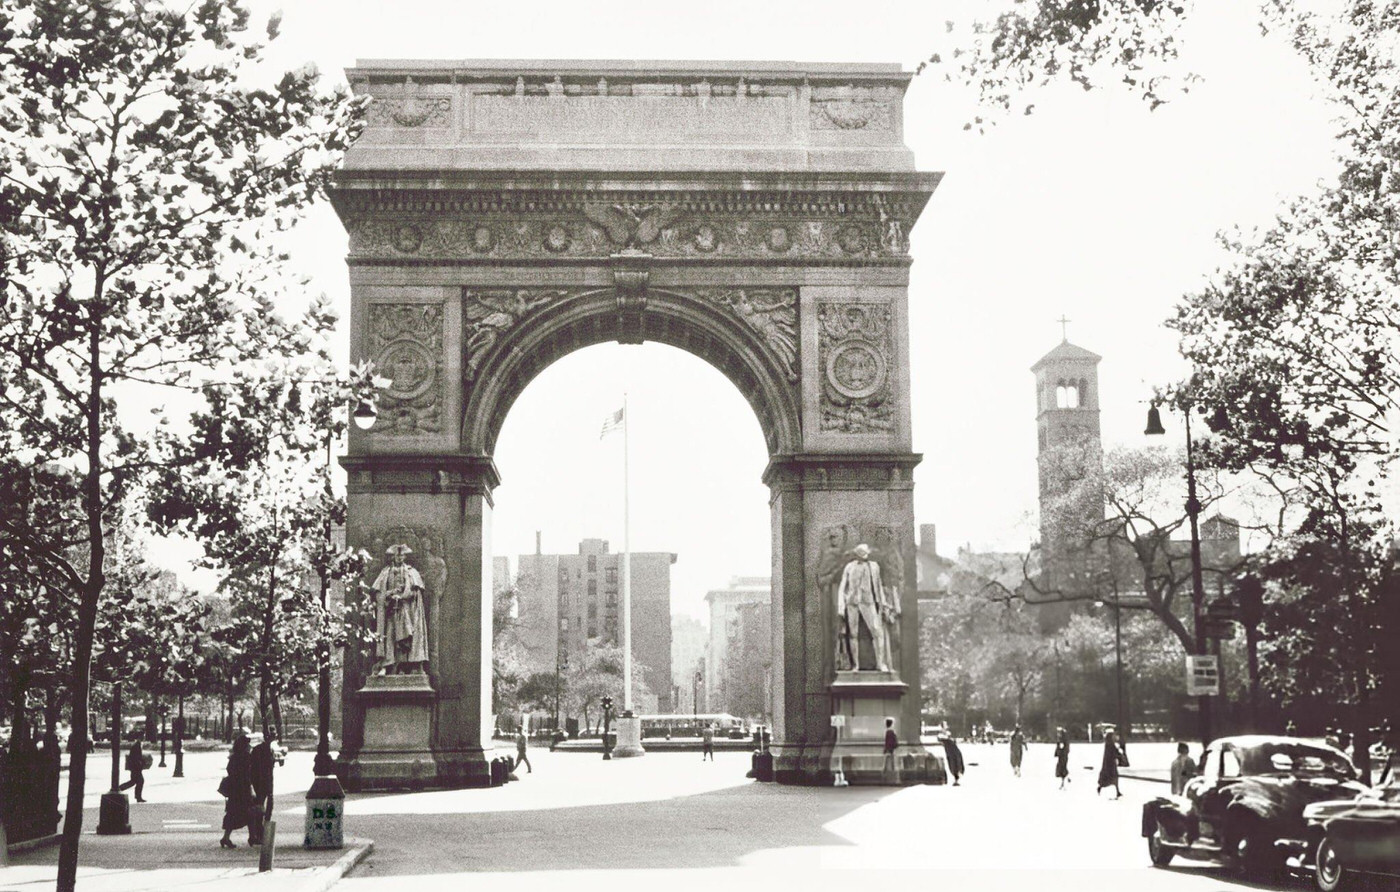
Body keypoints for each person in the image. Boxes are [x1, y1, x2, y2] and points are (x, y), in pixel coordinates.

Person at [835, 543, 898, 672]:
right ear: (856, 555)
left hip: (868, 602)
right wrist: (841, 607)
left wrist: (883, 603)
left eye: (865, 554)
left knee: (877, 632)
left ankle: (880, 664)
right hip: (852, 603)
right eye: (862, 555)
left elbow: (878, 585)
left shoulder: (874, 566)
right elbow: (843, 586)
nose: (864, 557)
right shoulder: (849, 567)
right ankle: (855, 665)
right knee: (853, 634)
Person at [372, 543, 429, 674]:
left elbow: (416, 592)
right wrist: (389, 595)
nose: (399, 557)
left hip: (407, 610)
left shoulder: (411, 572)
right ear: (393, 556)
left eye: (402, 555)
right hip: (390, 609)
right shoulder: (385, 572)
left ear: (404, 556)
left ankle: (405, 665)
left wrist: (404, 596)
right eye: (397, 555)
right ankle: (388, 664)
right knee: (390, 634)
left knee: (406, 636)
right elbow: (378, 592)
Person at [219, 734, 256, 849]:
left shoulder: (234, 757)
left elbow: (229, 770)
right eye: (248, 744)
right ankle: (252, 836)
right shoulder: (246, 757)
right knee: (250, 812)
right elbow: (250, 773)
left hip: (234, 790)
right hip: (243, 790)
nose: (249, 746)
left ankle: (226, 837)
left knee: (232, 814)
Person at [249, 733, 276, 845]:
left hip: (265, 783)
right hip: (260, 783)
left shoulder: (269, 750)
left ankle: (260, 833)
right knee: (259, 810)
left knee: (263, 810)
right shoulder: (261, 750)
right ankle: (259, 833)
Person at [1097, 728, 1128, 799]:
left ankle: (1117, 791)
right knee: (1113, 777)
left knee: (1114, 778)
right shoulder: (1110, 744)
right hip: (1110, 764)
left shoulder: (1109, 744)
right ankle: (1102, 787)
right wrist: (1119, 753)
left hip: (1110, 763)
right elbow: (1113, 753)